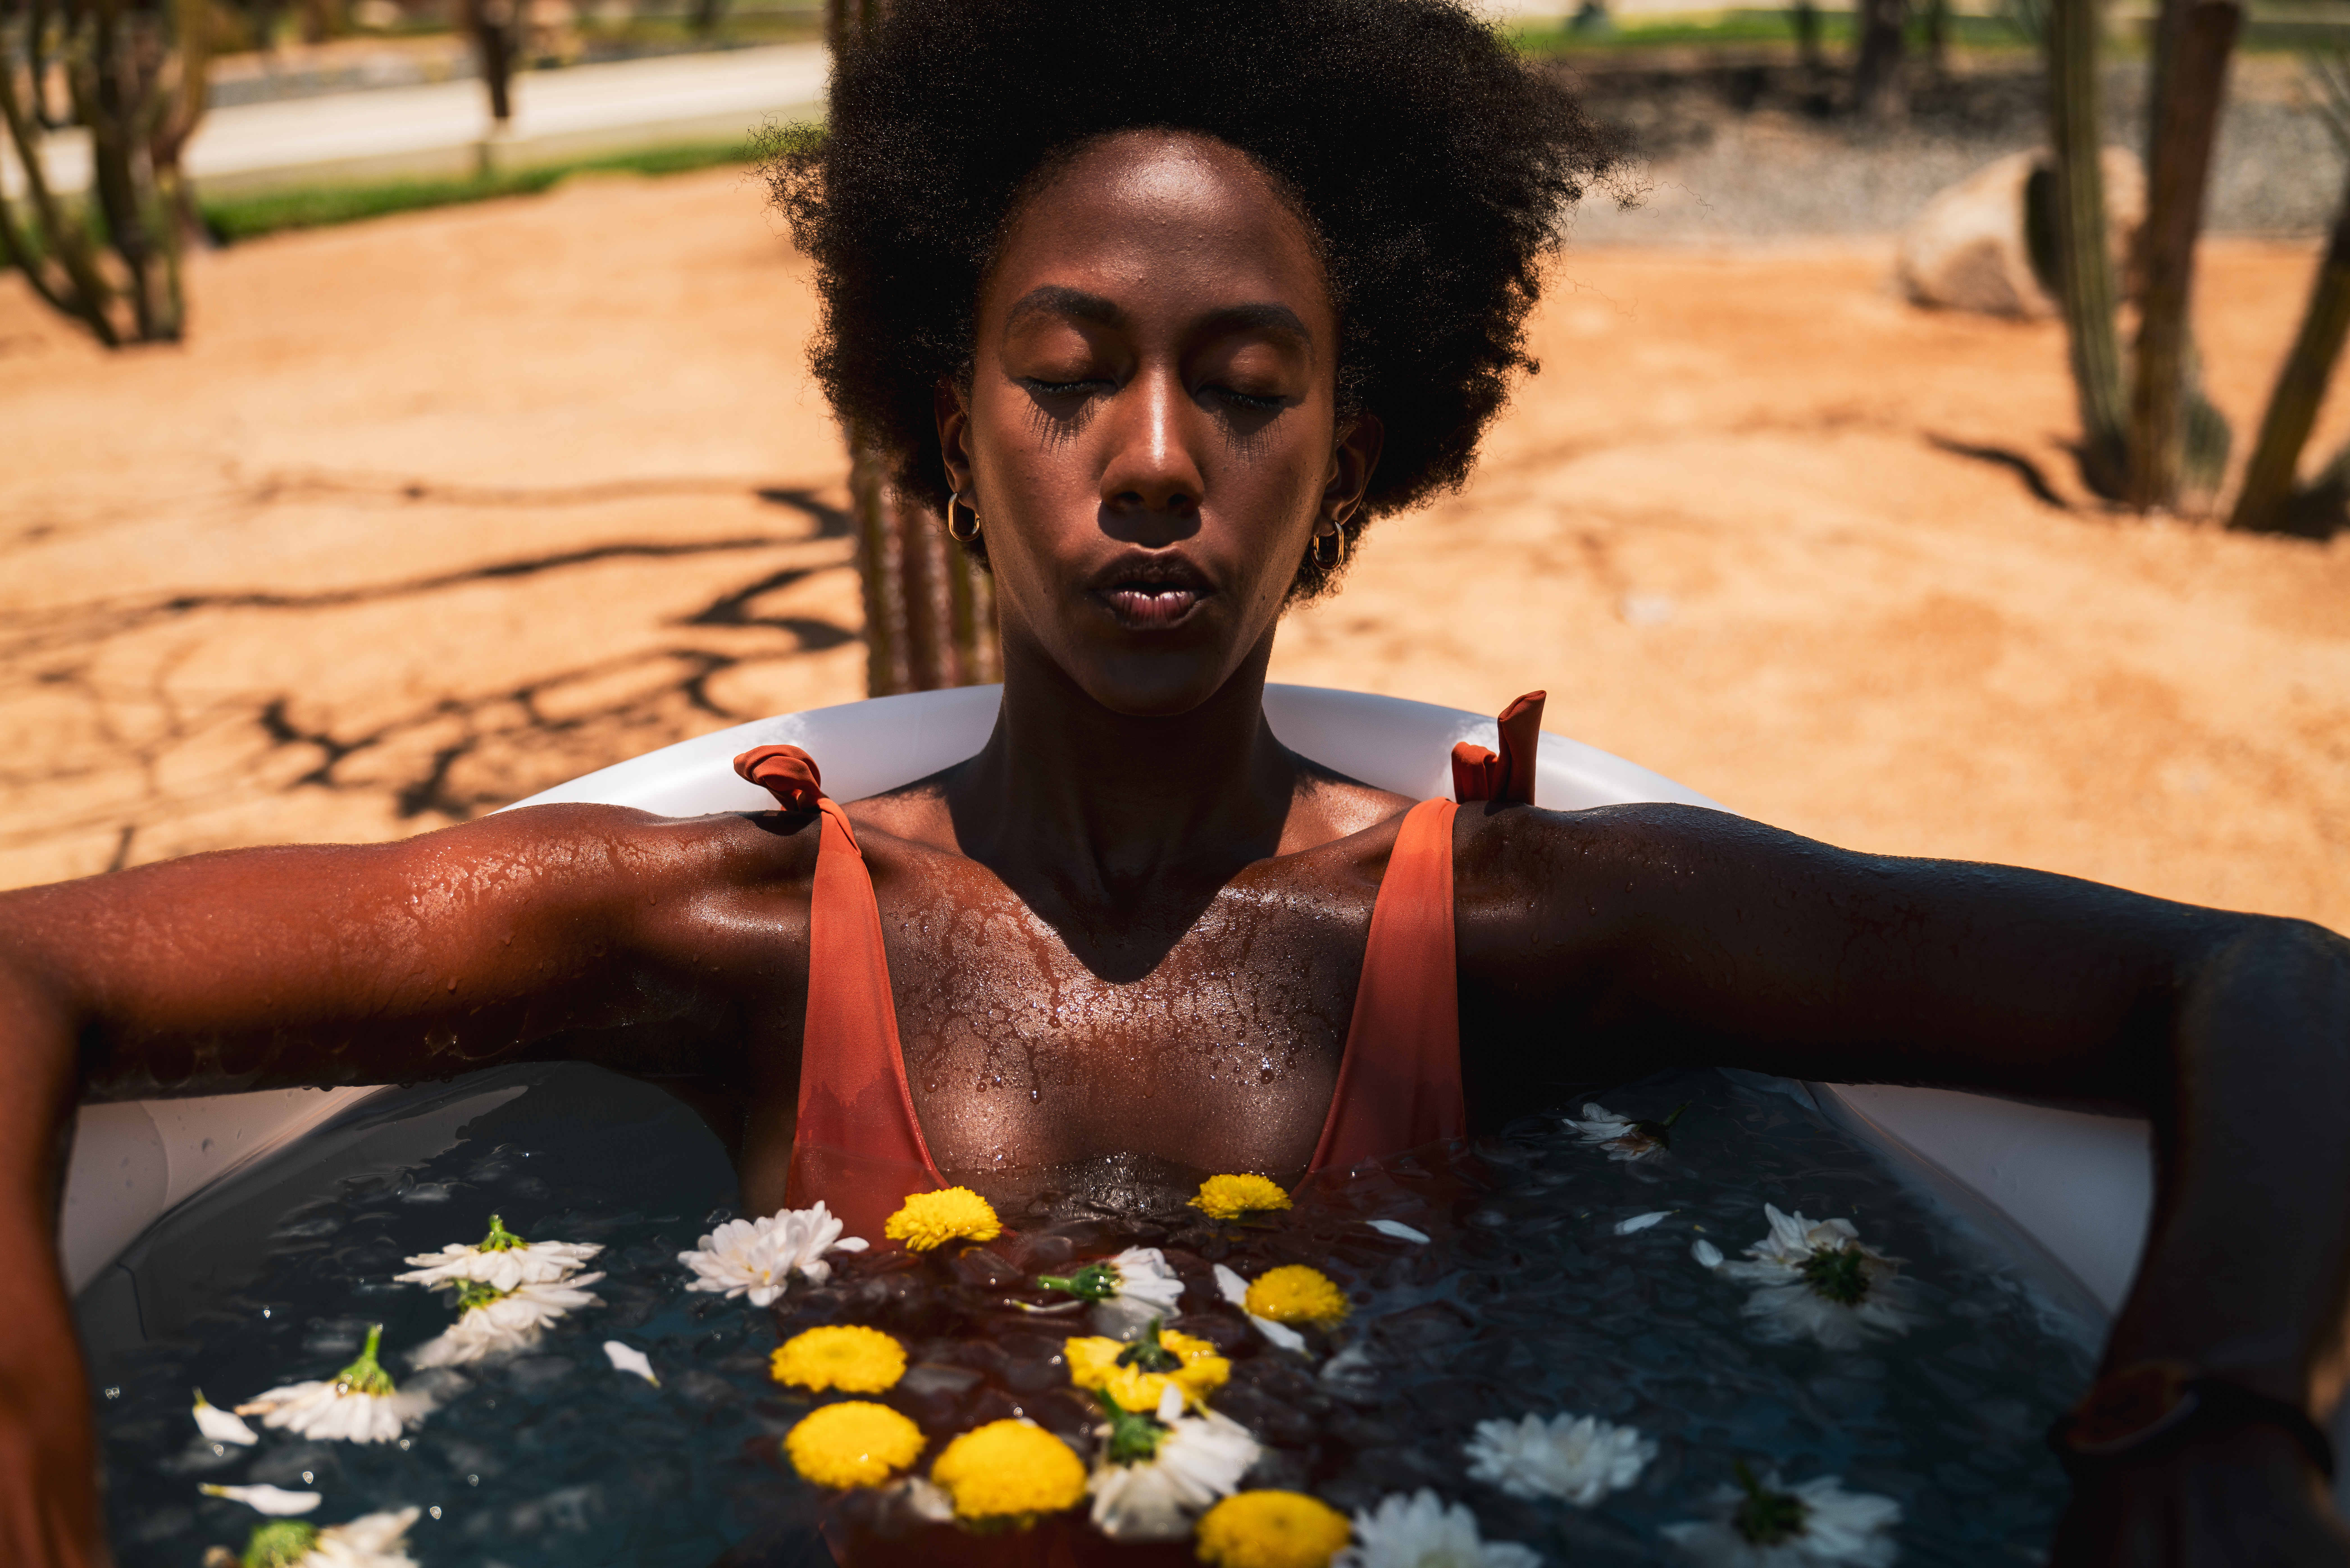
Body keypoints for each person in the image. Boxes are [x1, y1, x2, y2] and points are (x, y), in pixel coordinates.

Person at [1, 0, 2345, 1561]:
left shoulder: (1506, 930)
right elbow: (35, 968)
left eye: (1243, 381)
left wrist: (2210, 1404)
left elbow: (2263, 983)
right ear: (946, 425)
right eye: (1062, 374)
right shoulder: (725, 930)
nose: (1147, 460)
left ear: (1350, 459)